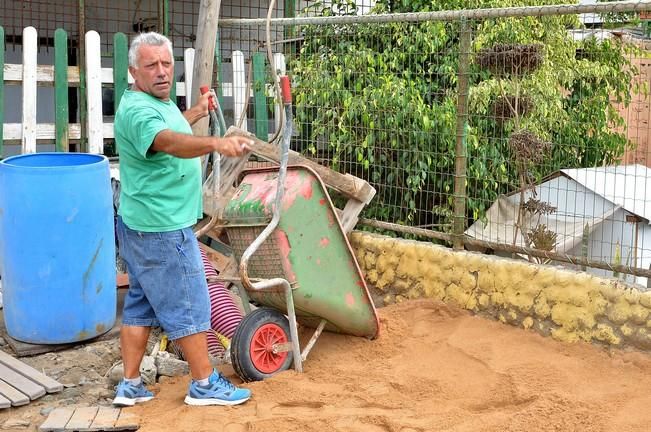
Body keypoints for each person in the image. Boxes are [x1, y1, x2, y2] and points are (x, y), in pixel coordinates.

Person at [112, 32, 253, 407]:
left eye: (166, 64)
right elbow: (168, 142)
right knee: (189, 303)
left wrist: (195, 113)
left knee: (141, 304)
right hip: (162, 227)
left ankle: (129, 385)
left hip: (140, 224)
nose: (161, 72)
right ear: (132, 71)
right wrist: (216, 143)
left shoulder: (150, 102)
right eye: (150, 65)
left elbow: (171, 128)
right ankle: (205, 383)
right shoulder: (139, 111)